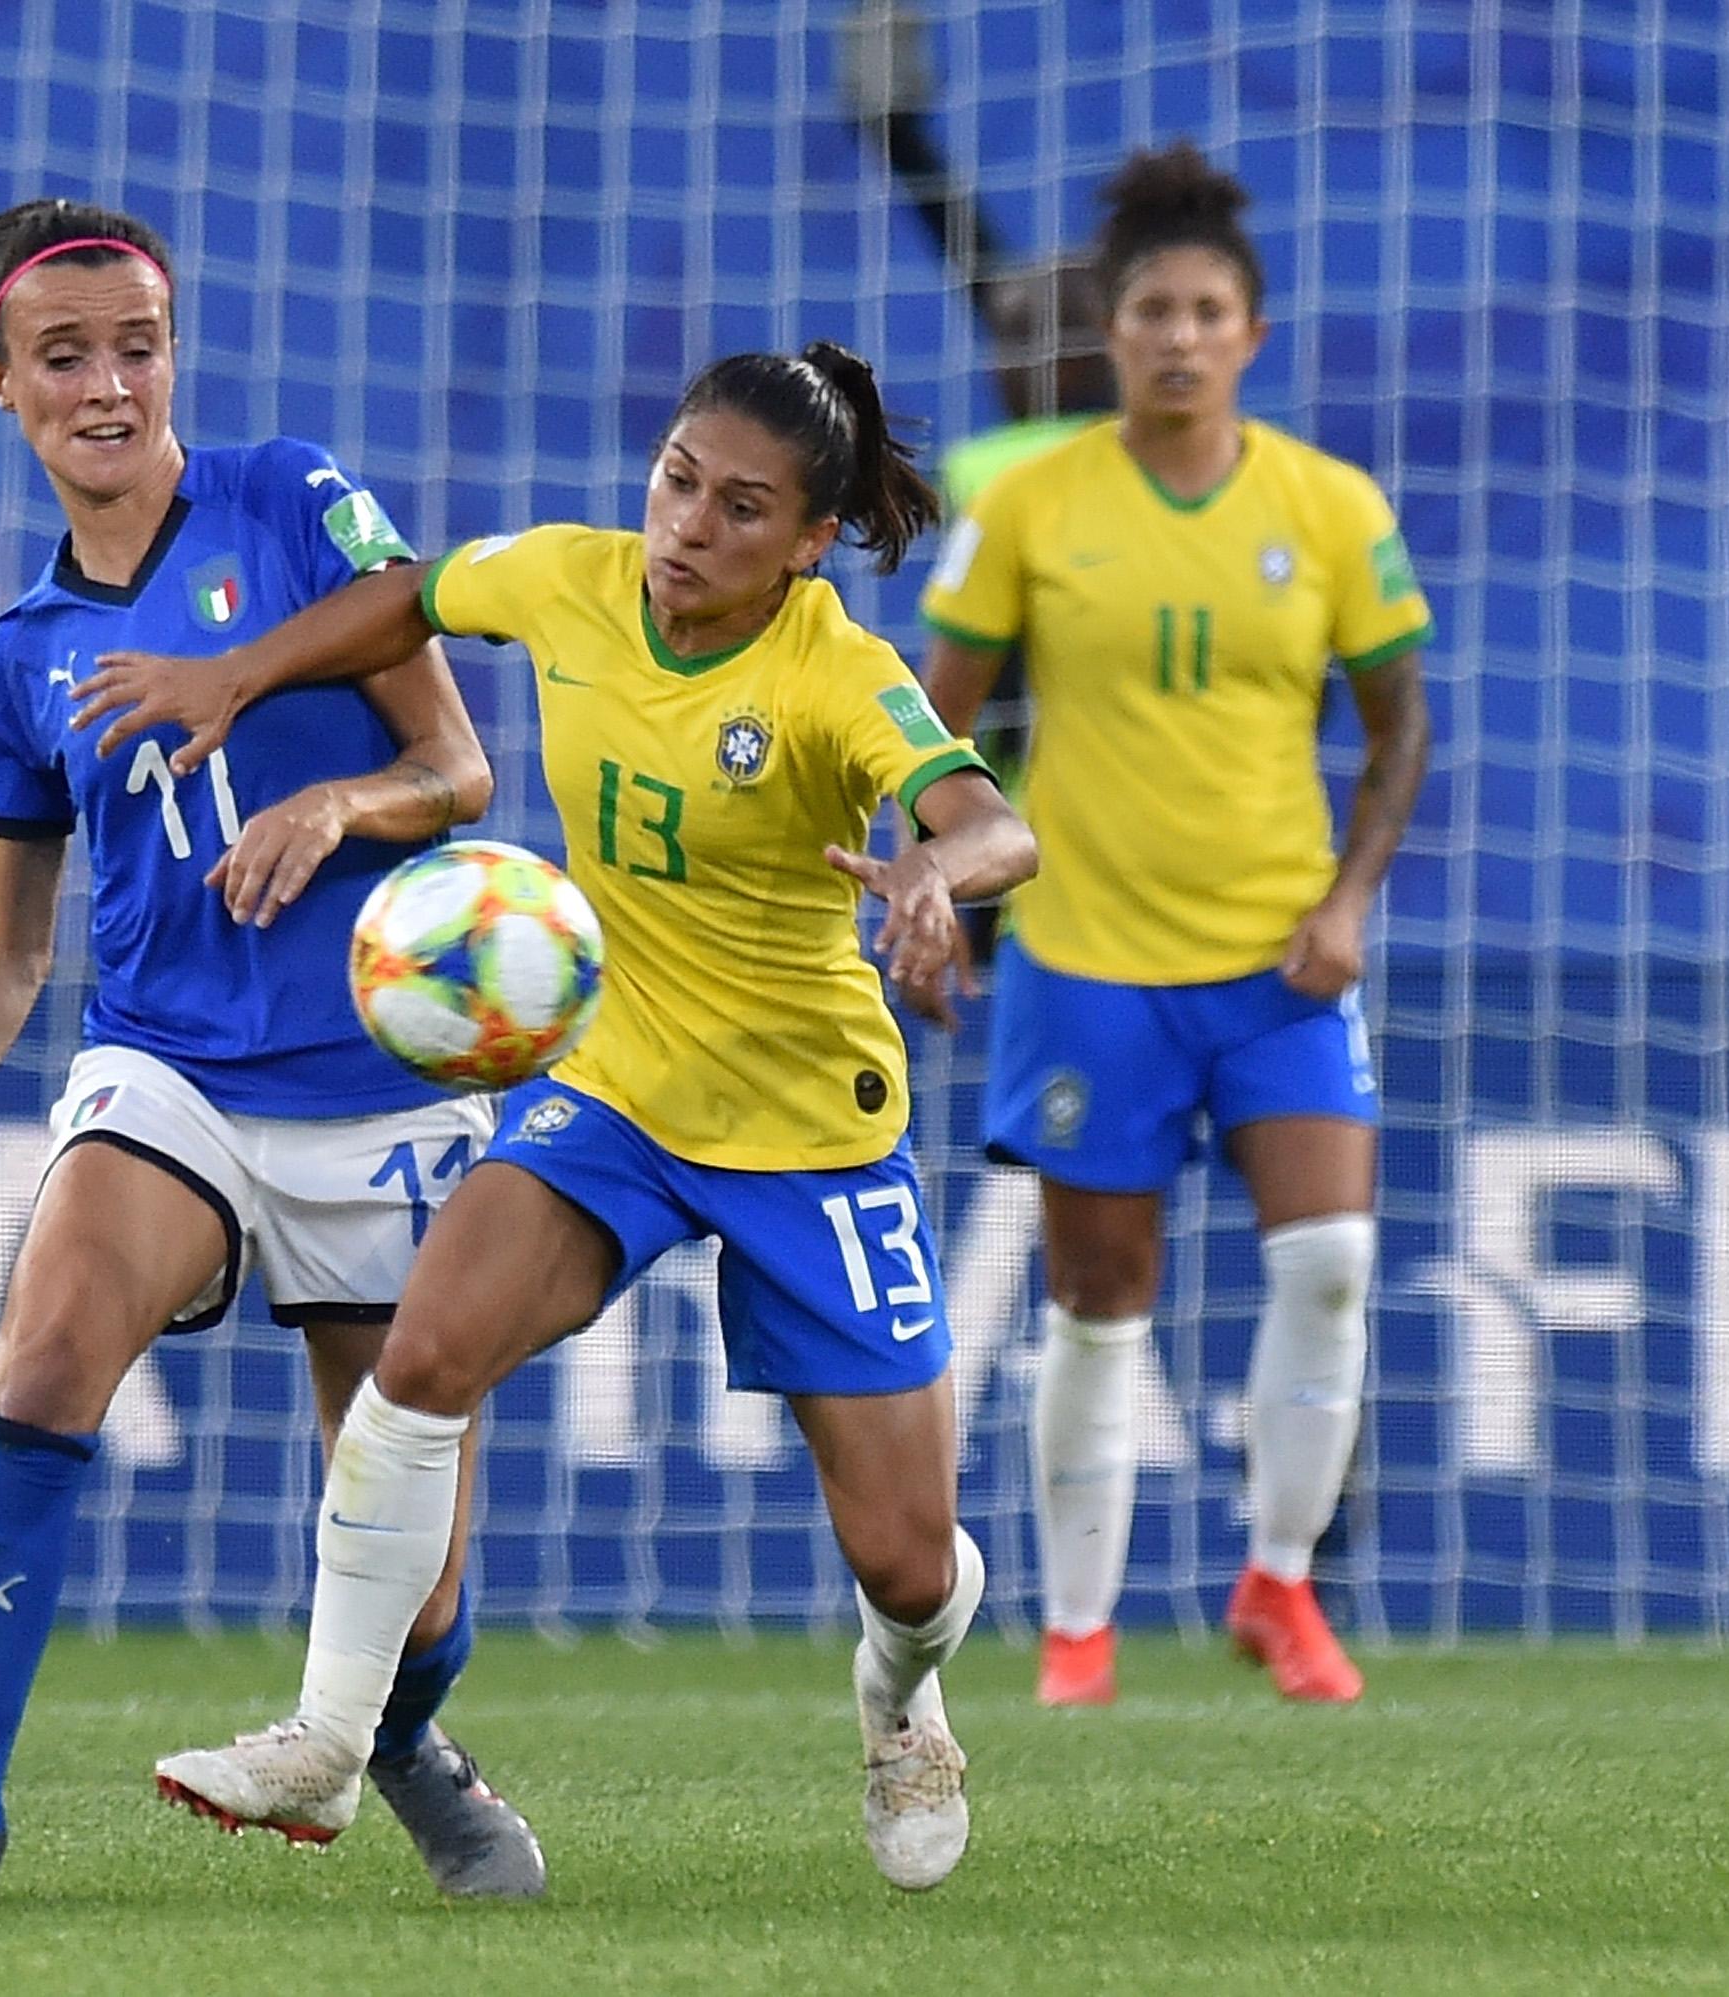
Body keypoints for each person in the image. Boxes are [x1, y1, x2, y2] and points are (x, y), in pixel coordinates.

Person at [84, 342, 1039, 1894]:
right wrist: (239, 672)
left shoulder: (834, 670)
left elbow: (992, 817)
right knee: (420, 1359)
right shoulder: (569, 579)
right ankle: (330, 1739)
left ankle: (901, 1690)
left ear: (809, 539)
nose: (686, 526)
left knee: (909, 1564)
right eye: (676, 478)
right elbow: (414, 595)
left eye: (741, 509)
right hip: (611, 1088)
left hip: (810, 1129)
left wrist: (940, 870)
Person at [0, 198, 535, 1909]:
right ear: (1, 382)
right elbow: (8, 954)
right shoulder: (21, 661)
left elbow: (459, 770)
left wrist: (333, 802)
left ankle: (408, 1738)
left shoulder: (294, 501)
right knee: (43, 1344)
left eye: (137, 346)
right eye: (63, 356)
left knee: (412, 1557)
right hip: (173, 1073)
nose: (109, 384)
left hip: (382, 1079)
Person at [913, 141, 1433, 1708]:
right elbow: (926, 719)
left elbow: (1400, 723)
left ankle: (1280, 1585)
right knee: (1096, 1304)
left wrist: (1349, 900)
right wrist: (936, 872)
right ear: (1113, 331)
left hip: (1279, 959)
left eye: (1210, 311)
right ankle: (1080, 1633)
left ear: (1251, 336)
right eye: (1154, 310)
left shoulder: (1332, 507)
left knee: (1332, 1259)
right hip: (1088, 960)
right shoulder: (1025, 503)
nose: (1181, 335)